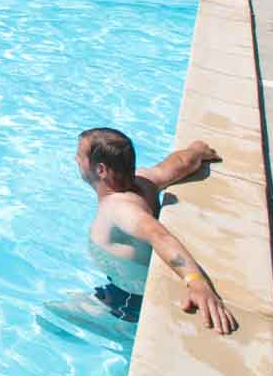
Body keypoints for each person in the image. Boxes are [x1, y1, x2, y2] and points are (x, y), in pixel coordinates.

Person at [74, 128, 237, 333]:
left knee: (55, 315)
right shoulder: (144, 180)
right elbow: (179, 163)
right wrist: (197, 151)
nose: (76, 159)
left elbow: (159, 236)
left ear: (101, 170)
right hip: (124, 282)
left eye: (80, 156)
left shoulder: (120, 209)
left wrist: (196, 282)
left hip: (129, 298)